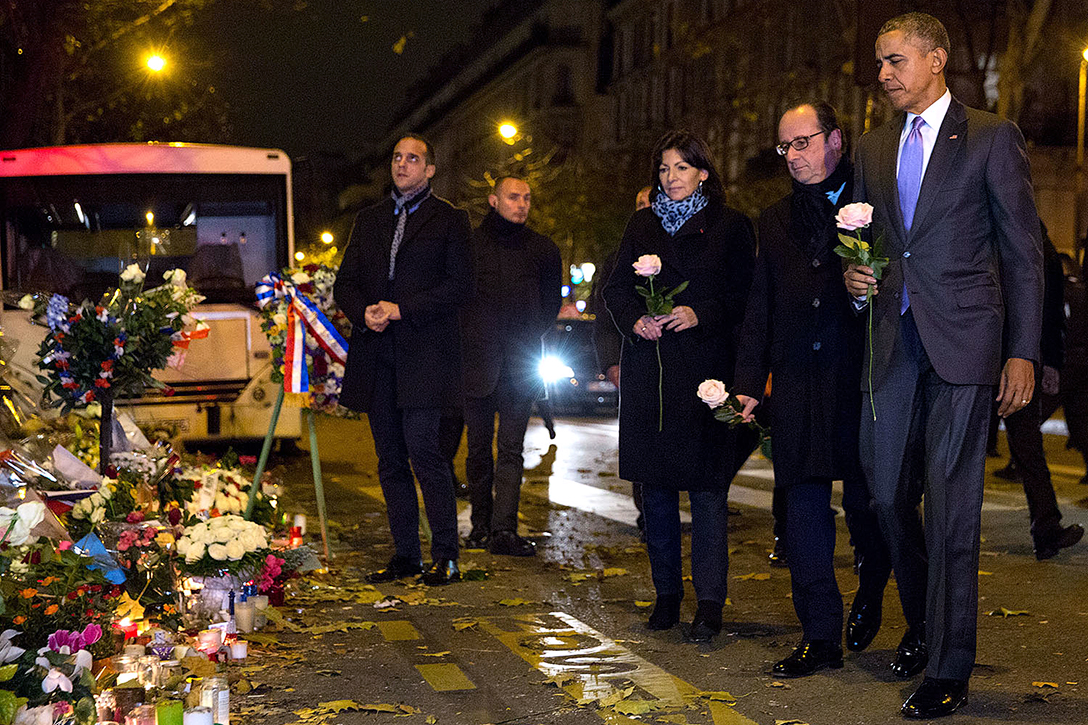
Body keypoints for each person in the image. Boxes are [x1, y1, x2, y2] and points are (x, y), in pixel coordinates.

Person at [844, 13, 1043, 718]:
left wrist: (1023, 350)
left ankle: (950, 664)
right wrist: (855, 275)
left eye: (895, 59)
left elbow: (1023, 253)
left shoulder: (990, 136)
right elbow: (866, 242)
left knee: (953, 504)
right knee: (884, 491)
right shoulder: (871, 147)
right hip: (892, 343)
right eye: (879, 61)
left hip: (965, 344)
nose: (884, 73)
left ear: (935, 59)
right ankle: (924, 620)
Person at [734, 102, 894, 677]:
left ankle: (873, 586)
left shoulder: (875, 203)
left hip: (859, 380)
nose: (793, 157)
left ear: (835, 140)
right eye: (785, 147)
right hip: (798, 381)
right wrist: (750, 383)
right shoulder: (774, 218)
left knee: (866, 505)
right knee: (802, 508)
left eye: (803, 143)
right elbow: (762, 303)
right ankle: (819, 634)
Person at [603, 130, 755, 643]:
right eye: (664, 169)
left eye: (681, 169)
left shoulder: (730, 227)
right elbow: (615, 287)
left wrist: (700, 312)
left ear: (703, 173)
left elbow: (745, 297)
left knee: (709, 494)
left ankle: (710, 603)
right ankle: (666, 595)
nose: (671, 178)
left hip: (705, 376)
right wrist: (635, 321)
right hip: (651, 375)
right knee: (657, 492)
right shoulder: (642, 224)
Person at [335, 134, 472, 587]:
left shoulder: (450, 220)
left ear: (430, 169)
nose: (402, 164)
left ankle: (446, 555)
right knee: (390, 459)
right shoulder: (369, 219)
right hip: (379, 354)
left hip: (426, 355)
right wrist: (366, 311)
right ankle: (405, 555)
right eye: (396, 157)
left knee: (424, 451)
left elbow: (459, 287)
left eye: (413, 158)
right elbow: (346, 283)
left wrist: (402, 309)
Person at [460, 176, 561, 556]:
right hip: (477, 362)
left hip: (519, 364)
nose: (521, 204)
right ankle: (480, 525)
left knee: (512, 449)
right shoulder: (470, 247)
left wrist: (526, 335)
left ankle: (504, 528)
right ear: (493, 200)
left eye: (527, 198)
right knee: (477, 451)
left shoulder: (543, 250)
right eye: (513, 197)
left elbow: (550, 305)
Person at [992, 225, 1083, 558]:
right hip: (983, 358)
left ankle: (1047, 530)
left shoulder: (1035, 243)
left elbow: (1053, 312)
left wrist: (1052, 363)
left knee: (1029, 449)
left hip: (1021, 360)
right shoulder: (1011, 237)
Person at [594, 186, 651, 536]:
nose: (644, 210)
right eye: (639, 204)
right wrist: (611, 363)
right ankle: (647, 512)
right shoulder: (617, 259)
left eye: (650, 203)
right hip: (632, 361)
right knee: (640, 439)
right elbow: (605, 318)